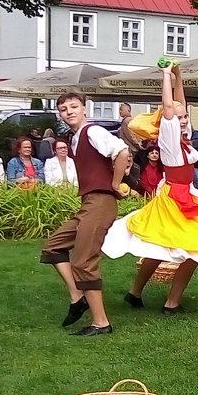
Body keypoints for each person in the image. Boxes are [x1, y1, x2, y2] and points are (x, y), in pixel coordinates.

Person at [103, 65, 198, 314]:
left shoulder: (183, 135)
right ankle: (171, 302)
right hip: (175, 199)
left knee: (160, 247)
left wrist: (178, 77)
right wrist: (165, 77)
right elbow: (171, 108)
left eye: (186, 117)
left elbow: (179, 104)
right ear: (167, 120)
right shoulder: (169, 136)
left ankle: (135, 293)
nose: (184, 120)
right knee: (193, 249)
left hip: (183, 195)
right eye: (179, 117)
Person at [39, 92, 132, 336]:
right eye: (63, 109)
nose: (69, 111)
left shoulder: (93, 131)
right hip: (88, 203)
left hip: (101, 202)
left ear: (84, 109)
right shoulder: (75, 138)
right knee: (53, 247)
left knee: (82, 262)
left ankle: (101, 322)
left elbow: (122, 152)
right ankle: (77, 297)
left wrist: (115, 183)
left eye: (73, 106)